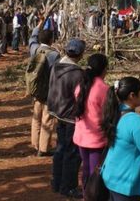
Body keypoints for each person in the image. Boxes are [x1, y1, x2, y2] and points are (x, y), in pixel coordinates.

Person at [47, 38, 86, 199]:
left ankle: (57, 182)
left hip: (57, 112)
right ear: (81, 54)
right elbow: (81, 97)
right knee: (72, 153)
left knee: (60, 149)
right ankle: (68, 187)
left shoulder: (56, 66)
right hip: (70, 117)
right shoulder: (78, 73)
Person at [72, 53, 109, 188]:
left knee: (86, 169)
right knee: (96, 174)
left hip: (82, 136)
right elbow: (108, 114)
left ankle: (86, 195)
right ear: (104, 69)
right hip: (96, 139)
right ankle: (92, 195)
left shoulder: (81, 85)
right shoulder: (103, 89)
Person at [29, 30, 60, 157]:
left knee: (36, 117)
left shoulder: (35, 49)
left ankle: (35, 143)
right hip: (49, 90)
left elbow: (32, 39)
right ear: (51, 40)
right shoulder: (54, 55)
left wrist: (38, 25)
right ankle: (43, 148)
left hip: (36, 89)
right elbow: (56, 74)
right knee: (47, 119)